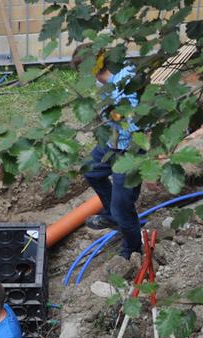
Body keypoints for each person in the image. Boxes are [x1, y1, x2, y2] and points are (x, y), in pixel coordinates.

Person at [71, 43, 142, 259]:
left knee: (124, 207)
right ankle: (112, 215)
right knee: (92, 172)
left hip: (130, 150)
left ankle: (132, 249)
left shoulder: (123, 91)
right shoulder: (111, 73)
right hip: (113, 141)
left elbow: (135, 128)